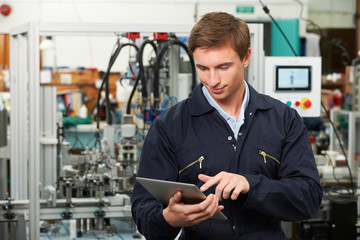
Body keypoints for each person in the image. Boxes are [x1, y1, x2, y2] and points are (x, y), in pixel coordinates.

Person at [131, 12, 323, 240]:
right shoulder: (169, 126)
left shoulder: (283, 119)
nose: (213, 80)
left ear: (246, 57)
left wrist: (250, 185)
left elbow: (308, 198)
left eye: (223, 67)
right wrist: (168, 218)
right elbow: (144, 213)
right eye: (203, 68)